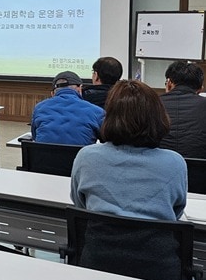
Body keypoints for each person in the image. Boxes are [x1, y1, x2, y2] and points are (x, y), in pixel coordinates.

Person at [71, 79, 186, 221]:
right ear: (158, 116)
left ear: (110, 116)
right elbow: (176, 213)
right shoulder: (175, 162)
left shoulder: (86, 156)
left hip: (99, 241)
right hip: (157, 241)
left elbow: (81, 206)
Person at [31, 71, 104, 145]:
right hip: (80, 156)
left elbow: (34, 137)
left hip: (44, 156)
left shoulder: (39, 108)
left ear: (53, 94)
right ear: (79, 89)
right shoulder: (97, 112)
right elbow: (107, 143)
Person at [159, 60, 206, 159]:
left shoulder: (153, 103)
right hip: (199, 170)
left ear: (169, 83)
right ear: (201, 88)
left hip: (159, 168)